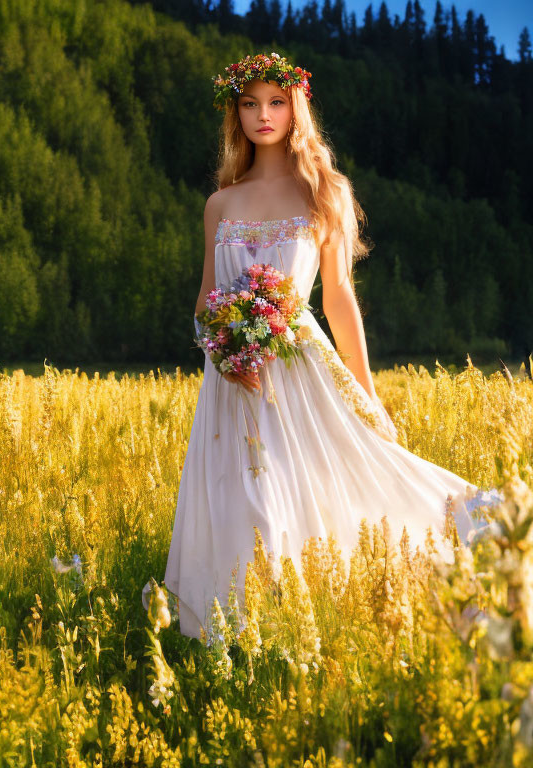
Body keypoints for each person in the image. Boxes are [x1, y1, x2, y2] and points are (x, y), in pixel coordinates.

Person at [161, 51, 501, 642]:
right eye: (249, 103)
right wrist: (223, 347)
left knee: (325, 486)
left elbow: (339, 300)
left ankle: (314, 616)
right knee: (241, 500)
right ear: (235, 114)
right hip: (232, 377)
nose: (263, 115)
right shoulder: (221, 203)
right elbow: (204, 301)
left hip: (300, 369)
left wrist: (366, 394)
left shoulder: (325, 191)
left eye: (275, 101)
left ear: (296, 108)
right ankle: (244, 637)